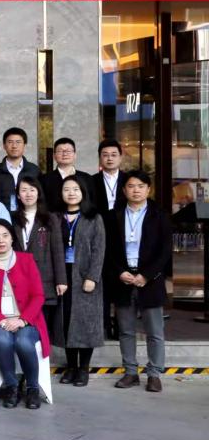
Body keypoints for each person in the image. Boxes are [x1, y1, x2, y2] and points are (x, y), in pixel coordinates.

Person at [0, 219, 50, 410]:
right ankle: (11, 386)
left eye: (5, 235)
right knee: (2, 340)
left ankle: (32, 388)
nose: (1, 240)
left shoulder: (26, 260)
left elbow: (38, 295)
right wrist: (1, 320)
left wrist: (22, 320)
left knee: (23, 342)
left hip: (27, 320)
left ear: (12, 238)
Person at [111, 171, 171, 393]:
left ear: (148, 189)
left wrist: (147, 275)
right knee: (126, 330)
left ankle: (154, 374)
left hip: (150, 280)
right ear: (124, 190)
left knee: (154, 331)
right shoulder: (114, 215)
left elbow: (165, 251)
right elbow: (109, 250)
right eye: (131, 186)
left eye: (140, 186)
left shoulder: (160, 215)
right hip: (124, 279)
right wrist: (120, 272)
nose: (135, 190)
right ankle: (130, 372)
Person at [55, 175, 105, 387]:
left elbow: (99, 249)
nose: (71, 193)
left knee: (85, 323)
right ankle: (71, 367)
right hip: (63, 274)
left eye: (76, 189)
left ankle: (83, 369)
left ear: (83, 192)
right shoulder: (56, 217)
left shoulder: (93, 217)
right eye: (67, 189)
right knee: (67, 321)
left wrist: (93, 276)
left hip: (85, 276)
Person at [11, 177, 67, 344]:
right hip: (18, 277)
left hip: (44, 278)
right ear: (18, 195)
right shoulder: (13, 218)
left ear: (38, 193)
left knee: (44, 323)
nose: (28, 194)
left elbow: (57, 250)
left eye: (32, 190)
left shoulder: (50, 218)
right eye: (24, 190)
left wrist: (61, 280)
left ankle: (44, 355)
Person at [92, 139, 125, 339]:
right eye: (105, 155)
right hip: (99, 234)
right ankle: (103, 325)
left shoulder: (129, 180)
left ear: (121, 157)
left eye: (114, 155)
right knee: (101, 281)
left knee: (121, 282)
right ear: (100, 158)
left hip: (123, 236)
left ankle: (121, 326)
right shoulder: (91, 181)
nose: (109, 158)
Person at [0, 127, 40, 211]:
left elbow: (40, 197)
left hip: (28, 215)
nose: (14, 146)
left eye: (18, 142)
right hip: (1, 215)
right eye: (10, 142)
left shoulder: (34, 170)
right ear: (4, 146)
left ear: (24, 145)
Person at [40, 137, 95, 213]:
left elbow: (92, 202)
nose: (65, 154)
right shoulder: (44, 180)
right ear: (54, 156)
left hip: (82, 218)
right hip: (54, 219)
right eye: (60, 151)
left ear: (75, 155)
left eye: (68, 151)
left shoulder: (87, 178)